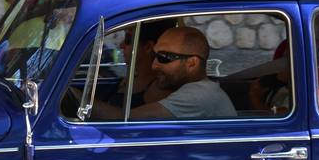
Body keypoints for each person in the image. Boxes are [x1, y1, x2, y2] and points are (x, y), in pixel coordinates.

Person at [87, 26, 235, 121]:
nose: (154, 65)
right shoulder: (200, 90)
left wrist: (80, 100)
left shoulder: (198, 95)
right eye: (155, 55)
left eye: (163, 58)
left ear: (192, 63)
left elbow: (124, 119)